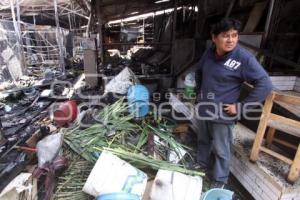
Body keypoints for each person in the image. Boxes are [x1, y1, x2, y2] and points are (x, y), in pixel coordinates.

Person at [194, 18, 273, 188]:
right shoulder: (209, 53)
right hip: (205, 108)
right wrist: (198, 94)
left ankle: (220, 180)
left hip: (223, 114)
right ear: (214, 38)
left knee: (221, 150)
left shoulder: (243, 58)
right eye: (225, 36)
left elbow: (265, 84)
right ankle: (201, 165)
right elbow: (199, 72)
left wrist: (240, 106)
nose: (231, 40)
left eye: (235, 35)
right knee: (203, 141)